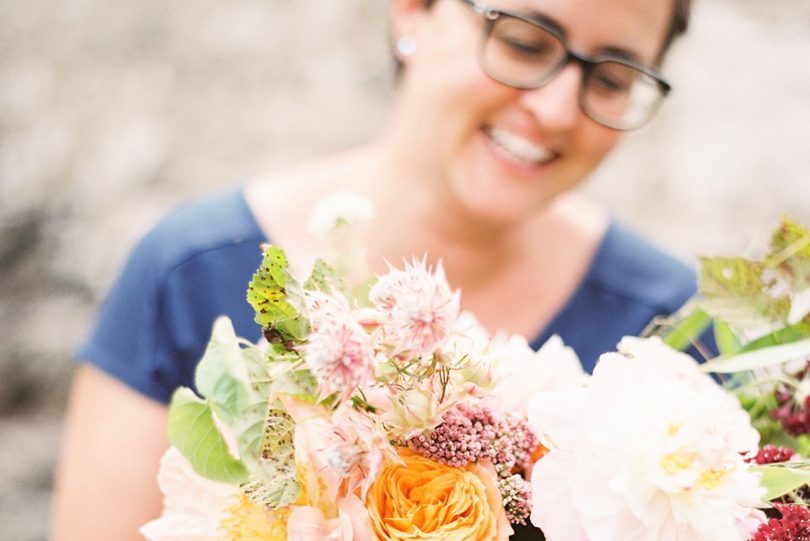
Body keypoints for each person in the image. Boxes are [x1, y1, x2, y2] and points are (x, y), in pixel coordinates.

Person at [50, 0, 693, 539]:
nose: (556, 110)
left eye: (611, 79)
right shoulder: (188, 277)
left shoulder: (677, 332)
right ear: (413, 11)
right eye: (524, 43)